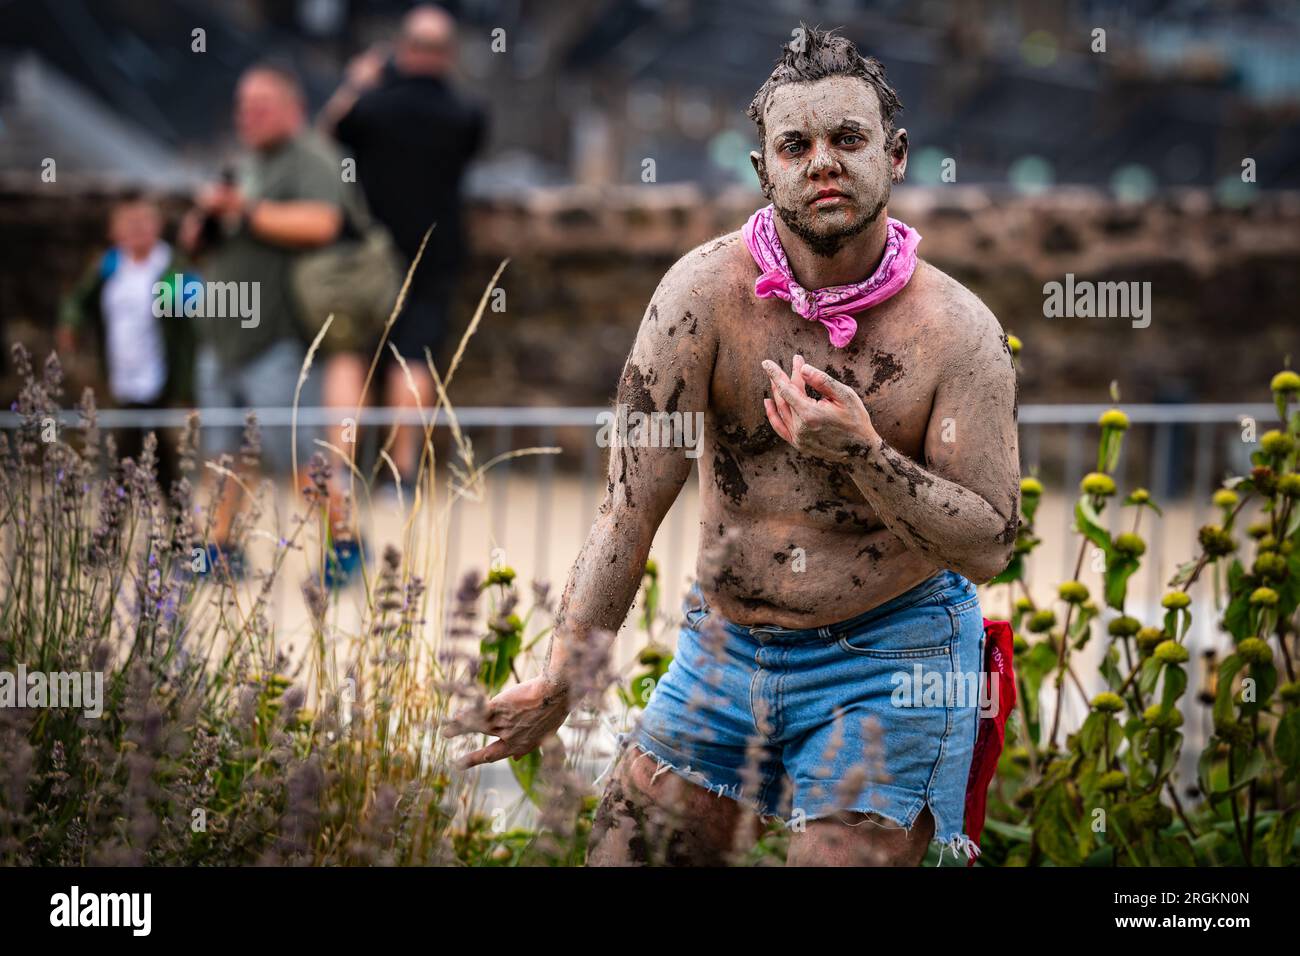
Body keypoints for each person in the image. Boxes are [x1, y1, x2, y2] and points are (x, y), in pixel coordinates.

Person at [445, 26, 1021, 867]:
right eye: (797, 144)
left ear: (894, 156)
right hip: (724, 649)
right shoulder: (701, 299)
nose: (823, 160)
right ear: (765, 171)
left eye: (848, 139)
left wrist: (864, 456)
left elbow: (990, 544)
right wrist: (563, 681)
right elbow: (626, 512)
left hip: (891, 656)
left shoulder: (958, 333)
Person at [180, 62, 362, 580]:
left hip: (277, 338)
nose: (249, 115)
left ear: (291, 107)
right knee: (223, 452)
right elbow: (202, 240)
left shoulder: (313, 158)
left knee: (301, 455)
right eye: (243, 106)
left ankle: (344, 548)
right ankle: (217, 550)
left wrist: (246, 210)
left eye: (261, 105)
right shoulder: (245, 162)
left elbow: (323, 223)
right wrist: (204, 224)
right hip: (223, 336)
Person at [322, 3, 487, 488]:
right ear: (448, 55)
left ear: (402, 49)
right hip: (435, 252)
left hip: (366, 254)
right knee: (414, 359)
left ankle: (339, 470)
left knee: (350, 353)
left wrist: (359, 81)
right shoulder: (465, 115)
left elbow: (330, 131)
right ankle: (402, 472)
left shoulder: (372, 107)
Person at [58, 192, 196, 490]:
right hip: (122, 377)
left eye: (144, 222)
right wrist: (71, 325)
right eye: (129, 223)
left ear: (157, 226)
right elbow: (78, 300)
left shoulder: (172, 268)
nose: (137, 230)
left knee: (146, 452)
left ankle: (129, 523)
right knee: (143, 454)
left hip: (162, 378)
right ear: (114, 230)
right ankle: (170, 525)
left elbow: (196, 316)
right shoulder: (108, 267)